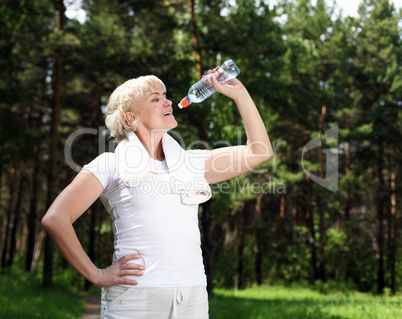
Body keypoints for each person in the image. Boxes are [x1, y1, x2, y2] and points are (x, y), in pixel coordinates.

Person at [42, 66, 273, 319]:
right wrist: (97, 274)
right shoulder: (109, 164)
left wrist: (239, 94)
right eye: (156, 99)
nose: (168, 101)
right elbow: (56, 218)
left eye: (165, 96)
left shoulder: (191, 163)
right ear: (130, 118)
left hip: (192, 296)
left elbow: (259, 152)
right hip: (135, 300)